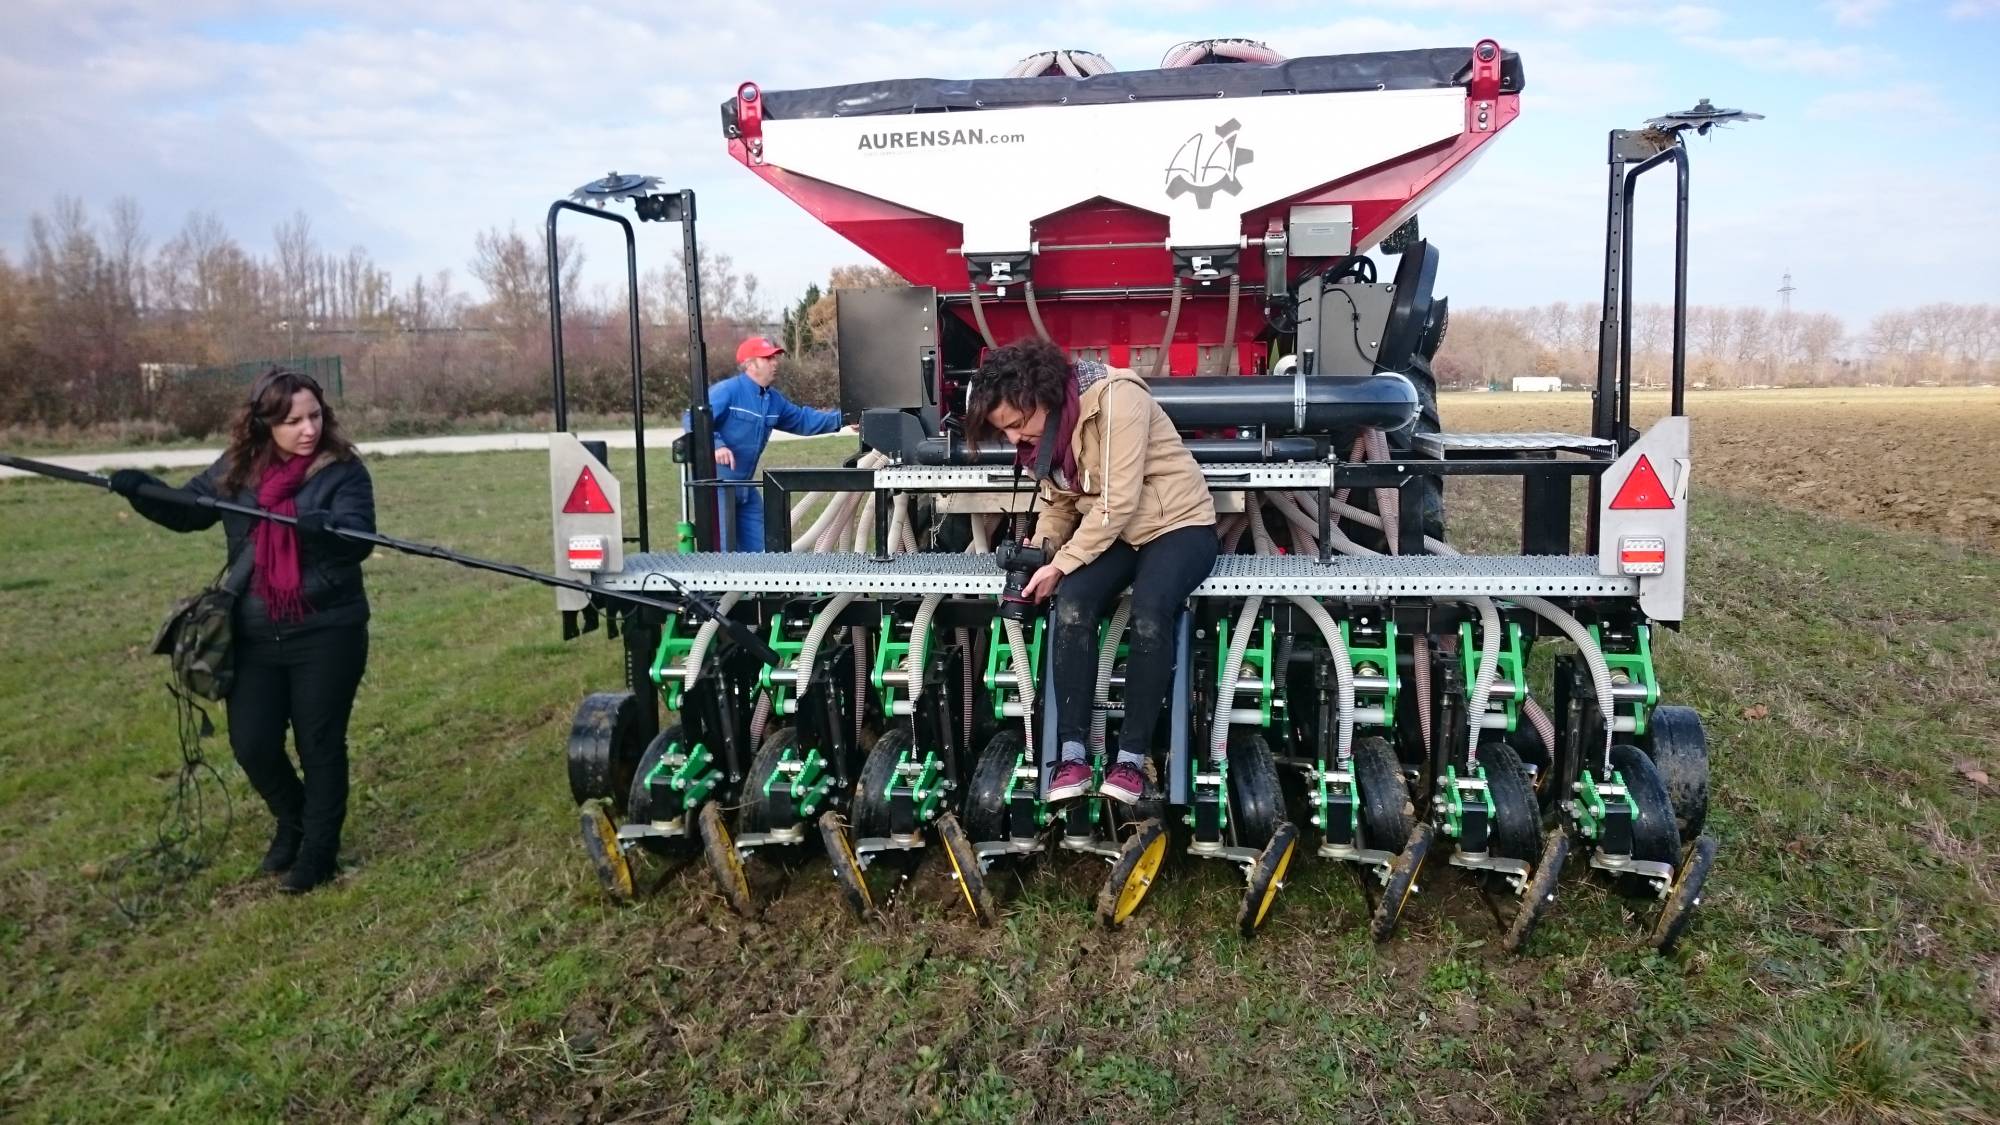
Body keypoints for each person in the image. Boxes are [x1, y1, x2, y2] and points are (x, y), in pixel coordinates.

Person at [108, 368, 375, 894]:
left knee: (320, 744)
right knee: (252, 744)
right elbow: (189, 513)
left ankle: (319, 852)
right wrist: (141, 490)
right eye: (292, 420)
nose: (308, 429)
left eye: (315, 416)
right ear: (263, 423)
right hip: (253, 632)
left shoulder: (342, 471)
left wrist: (327, 533)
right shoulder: (238, 467)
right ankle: (293, 819)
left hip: (327, 630)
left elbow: (360, 538)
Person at [966, 340, 1218, 805]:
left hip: (1178, 525)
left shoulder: (1119, 399)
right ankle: (1073, 753)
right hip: (1116, 534)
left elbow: (1116, 501)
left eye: (1018, 426)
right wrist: (1042, 552)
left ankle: (1131, 759)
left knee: (1150, 611)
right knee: (1073, 603)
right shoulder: (1049, 436)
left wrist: (1064, 561)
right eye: (1005, 433)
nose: (1014, 440)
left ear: (1044, 396)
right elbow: (1061, 503)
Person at [687, 335, 845, 551]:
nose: (775, 363)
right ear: (750, 364)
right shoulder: (728, 391)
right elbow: (693, 418)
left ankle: (761, 584)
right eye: (768, 358)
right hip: (717, 486)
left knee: (765, 548)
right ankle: (717, 586)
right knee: (721, 554)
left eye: (775, 358)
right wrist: (716, 445)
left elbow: (803, 420)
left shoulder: (773, 400)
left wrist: (844, 419)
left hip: (744, 486)